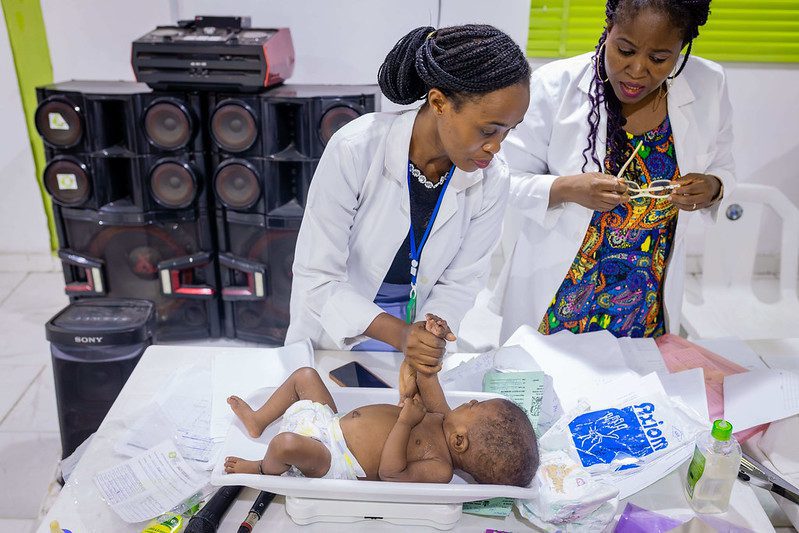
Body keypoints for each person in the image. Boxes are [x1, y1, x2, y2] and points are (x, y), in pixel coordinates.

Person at [285, 24, 531, 375]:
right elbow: (317, 277)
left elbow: (462, 281)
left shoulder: (492, 177)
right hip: (337, 320)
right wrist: (400, 335)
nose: (496, 146)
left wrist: (431, 333)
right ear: (439, 103)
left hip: (420, 317)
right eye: (488, 130)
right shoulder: (356, 150)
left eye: (510, 130)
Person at [494, 0, 732, 342]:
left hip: (645, 299)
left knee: (634, 390)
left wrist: (712, 187)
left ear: (682, 49)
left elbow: (723, 164)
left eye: (659, 59)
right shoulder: (553, 86)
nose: (637, 70)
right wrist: (565, 188)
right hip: (560, 293)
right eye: (625, 50)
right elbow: (503, 179)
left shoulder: (710, 84)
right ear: (608, 30)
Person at [223, 352, 539, 486]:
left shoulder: (440, 468)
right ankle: (258, 419)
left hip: (335, 460)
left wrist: (404, 422)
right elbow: (427, 380)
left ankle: (263, 468)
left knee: (285, 444)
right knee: (305, 376)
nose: (470, 401)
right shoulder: (443, 417)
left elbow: (391, 474)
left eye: (474, 407)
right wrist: (426, 356)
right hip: (331, 422)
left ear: (459, 441)